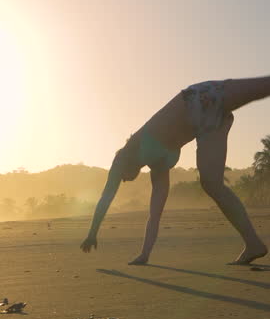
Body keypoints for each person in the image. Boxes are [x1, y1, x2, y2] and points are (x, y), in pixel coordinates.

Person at [80, 76, 270, 265]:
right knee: (212, 183)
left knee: (263, 85)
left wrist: (92, 233)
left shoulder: (127, 152)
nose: (122, 180)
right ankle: (253, 244)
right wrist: (144, 255)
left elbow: (107, 196)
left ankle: (252, 243)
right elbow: (154, 215)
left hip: (197, 98)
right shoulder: (158, 167)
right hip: (208, 124)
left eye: (120, 177)